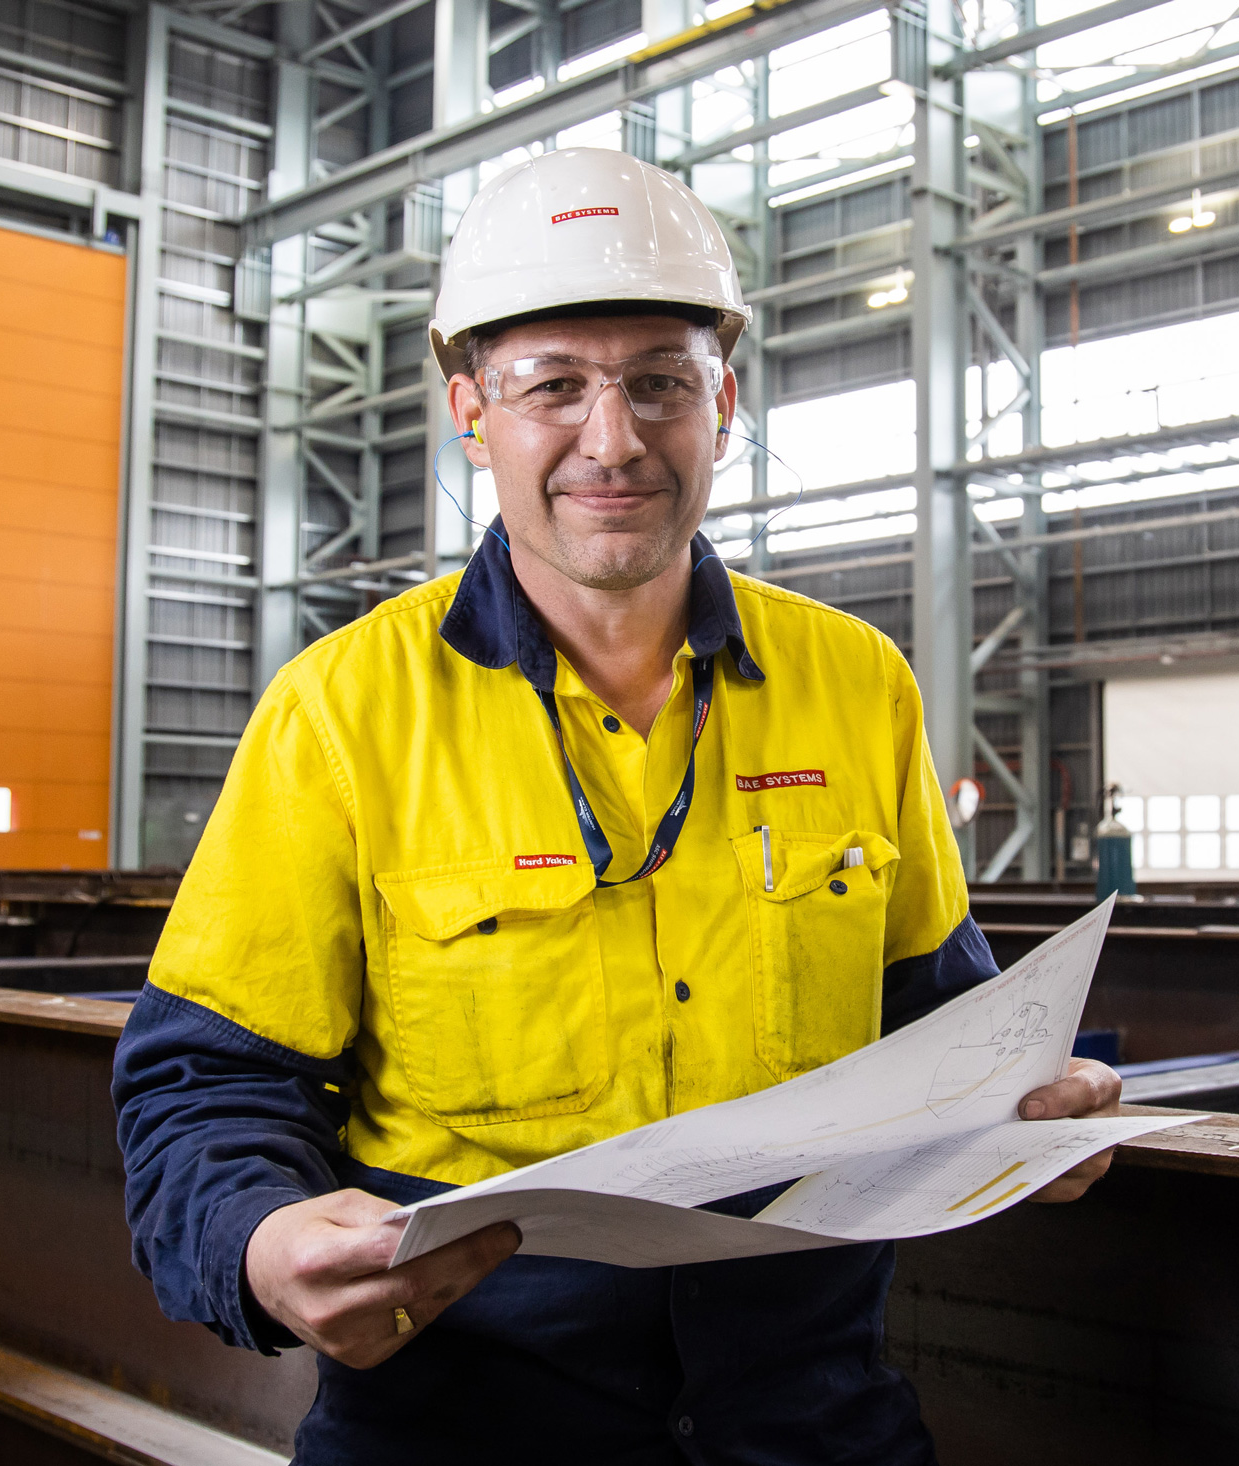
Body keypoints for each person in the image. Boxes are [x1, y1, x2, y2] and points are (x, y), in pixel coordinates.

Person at [113, 148, 1123, 1464]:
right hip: (462, 1435)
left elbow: (939, 1020)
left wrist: (1033, 1100)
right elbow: (206, 1081)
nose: (614, 439)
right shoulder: (343, 715)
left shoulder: (856, 684)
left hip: (808, 1427)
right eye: (554, 387)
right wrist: (259, 1239)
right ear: (471, 411)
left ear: (724, 402)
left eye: (660, 382)